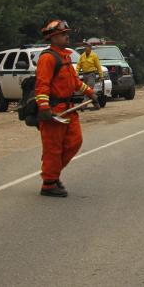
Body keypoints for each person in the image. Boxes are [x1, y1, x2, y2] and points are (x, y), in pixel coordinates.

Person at [35, 19, 98, 197]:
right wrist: (44, 108)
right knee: (53, 148)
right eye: (63, 34)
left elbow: (74, 82)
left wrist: (91, 93)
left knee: (74, 142)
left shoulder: (65, 56)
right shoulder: (48, 58)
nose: (66, 36)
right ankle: (49, 183)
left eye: (66, 33)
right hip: (55, 111)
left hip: (69, 109)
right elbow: (42, 85)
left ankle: (52, 175)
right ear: (53, 37)